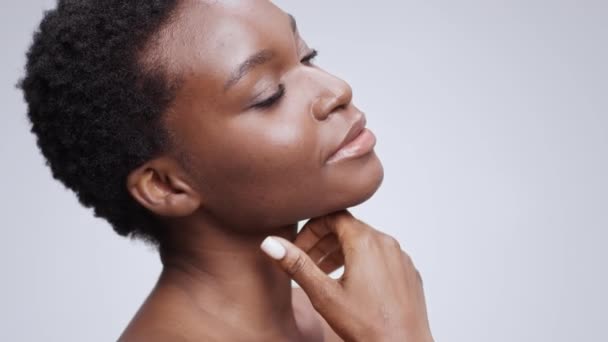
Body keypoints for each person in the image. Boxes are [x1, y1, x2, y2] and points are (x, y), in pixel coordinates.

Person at [20, 0, 433, 340]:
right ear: (166, 185)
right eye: (269, 95)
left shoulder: (342, 317)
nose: (336, 90)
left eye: (307, 56)